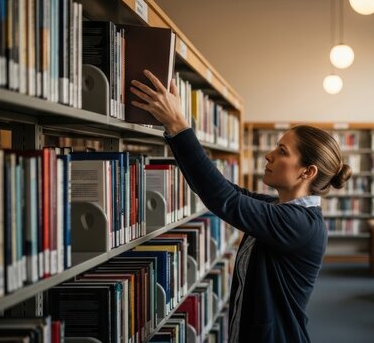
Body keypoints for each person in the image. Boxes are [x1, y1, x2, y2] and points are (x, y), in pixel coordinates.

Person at [129, 70, 352, 342]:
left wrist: (179, 126)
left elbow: (223, 198)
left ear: (307, 172)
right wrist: (173, 129)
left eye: (282, 152)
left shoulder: (299, 224)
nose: (269, 155)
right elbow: (221, 189)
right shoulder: (279, 209)